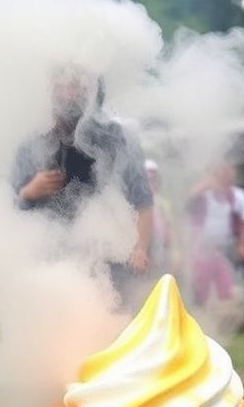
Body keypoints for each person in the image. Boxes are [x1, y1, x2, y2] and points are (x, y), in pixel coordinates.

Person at [11, 66, 153, 300]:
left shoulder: (116, 137)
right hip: (51, 261)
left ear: (90, 87)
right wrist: (29, 191)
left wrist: (141, 249)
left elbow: (142, 200)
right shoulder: (32, 142)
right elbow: (10, 208)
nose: (68, 94)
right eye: (60, 86)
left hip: (110, 261)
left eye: (75, 85)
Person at [187, 160, 244, 306]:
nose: (227, 173)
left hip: (227, 247)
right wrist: (206, 184)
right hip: (203, 248)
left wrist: (243, 245)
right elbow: (189, 202)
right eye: (222, 170)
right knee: (202, 286)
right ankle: (203, 313)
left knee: (230, 286)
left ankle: (232, 315)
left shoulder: (239, 195)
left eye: (229, 170)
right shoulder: (204, 193)